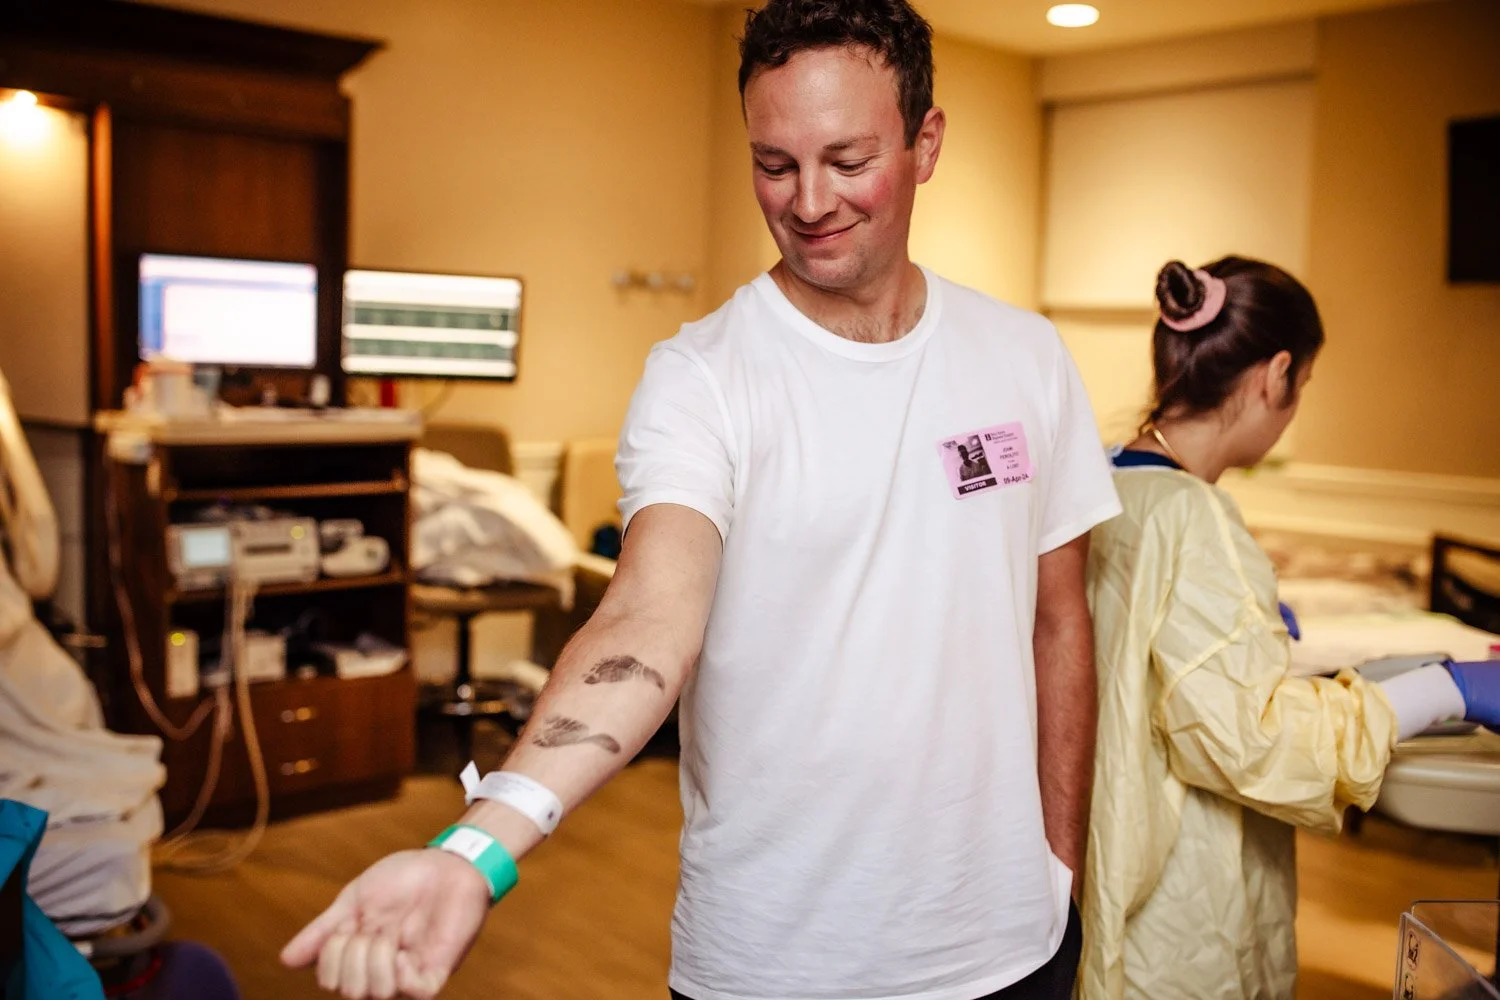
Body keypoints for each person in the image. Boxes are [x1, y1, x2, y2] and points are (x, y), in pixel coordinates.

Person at [282, 2, 1122, 998]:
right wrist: (480, 846)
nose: (809, 200)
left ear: (925, 141)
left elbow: (1058, 623)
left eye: (848, 160)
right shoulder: (703, 377)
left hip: (1008, 947)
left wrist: (1059, 872)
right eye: (775, 163)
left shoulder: (1024, 356)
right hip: (776, 958)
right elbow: (646, 620)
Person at [1078, 256, 1500, 1000]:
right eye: (1301, 386)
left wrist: (1247, 630)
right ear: (1276, 375)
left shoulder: (1107, 479)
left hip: (1106, 884)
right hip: (1176, 932)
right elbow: (1256, 741)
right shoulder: (1195, 521)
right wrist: (1446, 689)